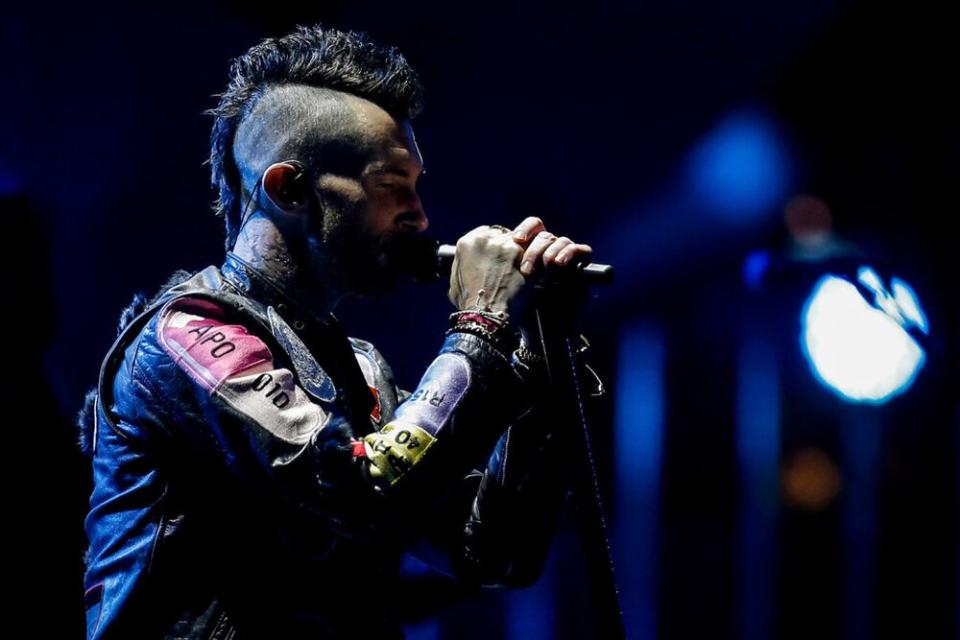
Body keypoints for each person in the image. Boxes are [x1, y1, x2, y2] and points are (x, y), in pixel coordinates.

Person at [78, 24, 596, 639]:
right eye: (390, 186)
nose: (421, 217)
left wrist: (538, 361)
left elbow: (491, 551)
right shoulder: (189, 333)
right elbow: (357, 492)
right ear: (289, 189)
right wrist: (479, 320)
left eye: (417, 189)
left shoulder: (361, 367)